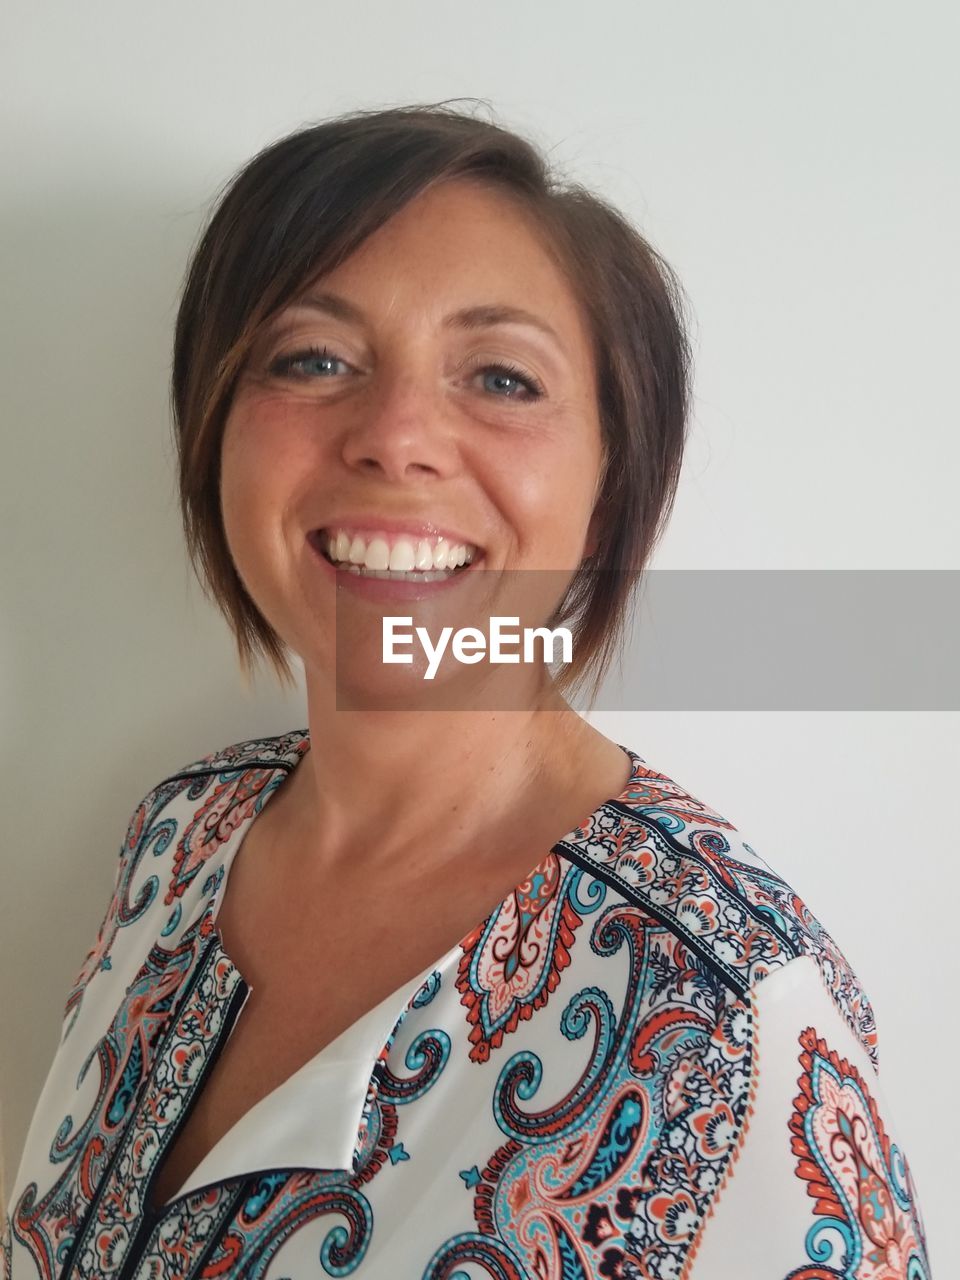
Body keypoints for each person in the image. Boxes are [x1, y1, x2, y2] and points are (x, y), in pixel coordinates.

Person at [3, 103, 930, 1279]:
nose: (396, 437)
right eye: (313, 358)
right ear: (212, 428)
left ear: (613, 475)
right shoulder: (176, 838)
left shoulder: (737, 1020)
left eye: (500, 375)